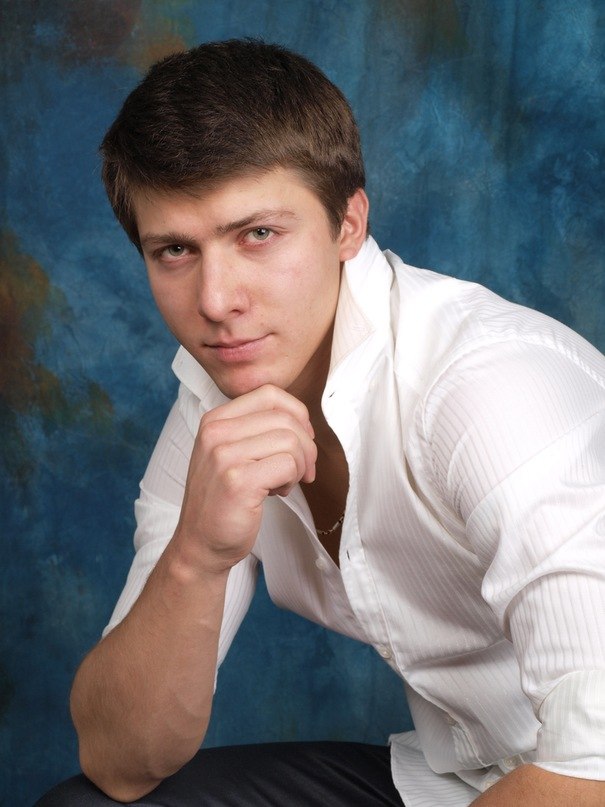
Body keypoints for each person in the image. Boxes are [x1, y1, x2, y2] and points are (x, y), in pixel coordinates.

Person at [37, 39, 604, 807]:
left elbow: (590, 766)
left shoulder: (488, 384)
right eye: (174, 249)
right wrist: (195, 558)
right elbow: (120, 760)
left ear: (348, 225)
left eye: (257, 234)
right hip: (455, 782)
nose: (215, 300)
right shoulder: (216, 401)